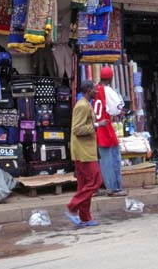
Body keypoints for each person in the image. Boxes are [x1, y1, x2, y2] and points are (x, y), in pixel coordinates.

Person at [65, 80, 106, 227]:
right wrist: (97, 125)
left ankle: (85, 217)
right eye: (95, 89)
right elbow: (77, 129)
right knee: (95, 181)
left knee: (84, 185)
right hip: (84, 152)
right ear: (89, 90)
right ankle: (72, 207)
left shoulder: (85, 104)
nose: (97, 91)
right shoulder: (82, 106)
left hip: (83, 151)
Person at [94, 66, 126, 197]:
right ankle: (114, 188)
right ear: (111, 78)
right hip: (106, 127)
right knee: (112, 160)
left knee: (104, 161)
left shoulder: (95, 89)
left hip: (97, 127)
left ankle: (110, 187)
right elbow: (117, 109)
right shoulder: (108, 90)